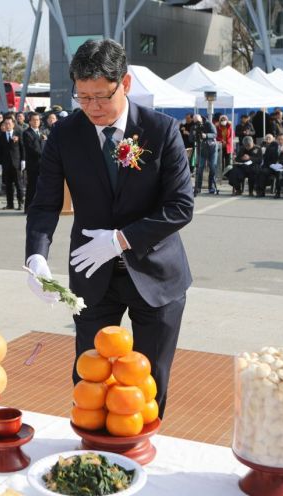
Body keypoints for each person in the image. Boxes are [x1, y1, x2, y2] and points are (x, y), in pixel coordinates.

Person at [25, 39, 193, 419]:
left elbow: (180, 207)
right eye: (82, 98)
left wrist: (121, 240)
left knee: (147, 384)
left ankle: (137, 456)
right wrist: (36, 255)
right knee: (89, 378)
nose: (92, 108)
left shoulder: (161, 131)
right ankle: (93, 452)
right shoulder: (65, 135)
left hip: (155, 275)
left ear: (126, 84)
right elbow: (44, 203)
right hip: (93, 275)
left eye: (101, 97)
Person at [0, 116, 25, 210]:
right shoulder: (1, 135)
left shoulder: (18, 134)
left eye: (9, 123)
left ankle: (20, 203)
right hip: (6, 164)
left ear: (13, 124)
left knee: (18, 184)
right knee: (8, 185)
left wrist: (23, 160)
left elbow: (22, 148)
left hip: (16, 163)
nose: (7, 125)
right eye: (6, 123)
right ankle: (10, 204)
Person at [23, 112, 47, 212]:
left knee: (43, 186)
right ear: (30, 121)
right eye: (34, 120)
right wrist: (42, 142)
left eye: (38, 120)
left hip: (43, 164)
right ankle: (28, 207)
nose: (36, 122)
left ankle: (40, 206)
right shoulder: (27, 133)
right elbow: (33, 149)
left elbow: (46, 147)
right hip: (33, 164)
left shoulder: (42, 132)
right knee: (32, 186)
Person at [190, 114, 217, 195]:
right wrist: (195, 136)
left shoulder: (209, 124)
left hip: (212, 148)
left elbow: (215, 134)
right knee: (200, 168)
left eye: (198, 121)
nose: (196, 123)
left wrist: (206, 135)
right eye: (195, 122)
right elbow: (190, 138)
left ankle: (211, 187)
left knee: (212, 167)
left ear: (201, 119)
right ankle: (198, 187)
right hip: (201, 149)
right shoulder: (193, 126)